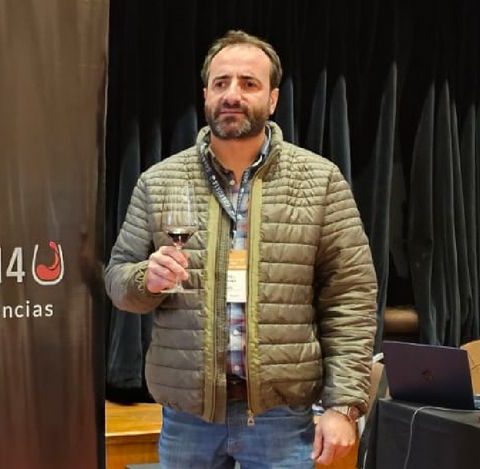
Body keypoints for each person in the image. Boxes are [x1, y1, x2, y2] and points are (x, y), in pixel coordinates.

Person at [105, 30, 377, 468]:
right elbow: (118, 280)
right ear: (206, 95)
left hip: (282, 418)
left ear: (272, 99)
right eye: (221, 83)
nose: (232, 94)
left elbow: (351, 298)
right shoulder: (159, 181)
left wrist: (343, 406)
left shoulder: (321, 181)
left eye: (248, 83)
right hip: (188, 419)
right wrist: (145, 279)